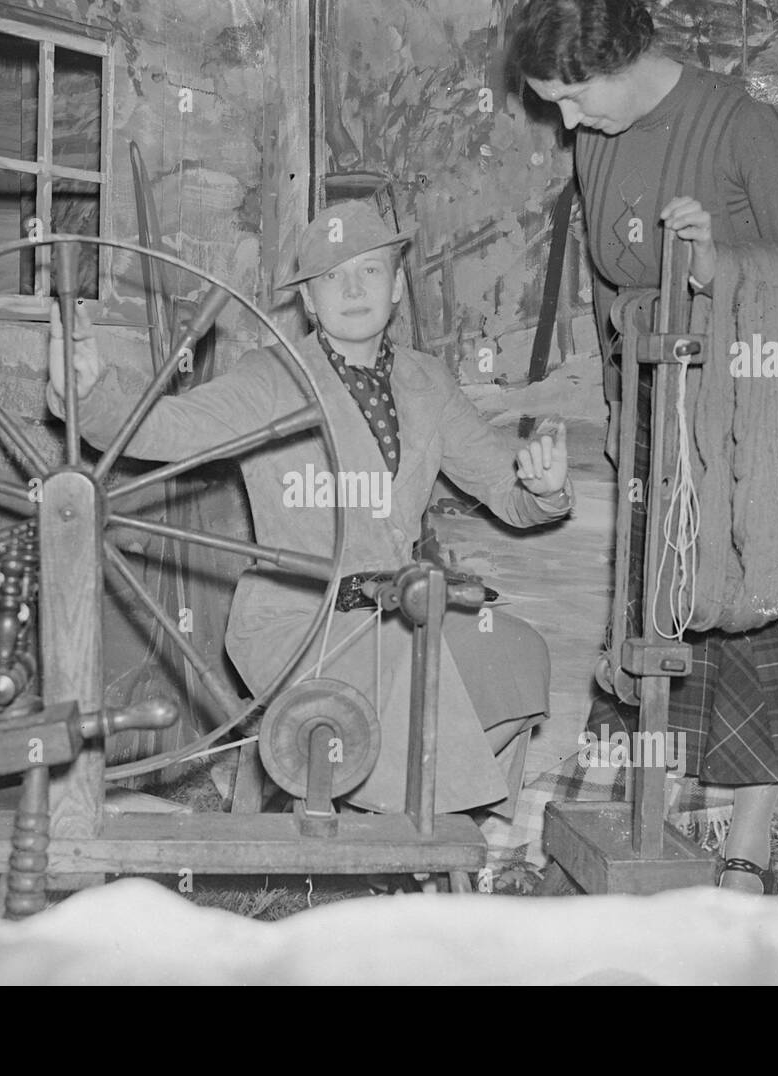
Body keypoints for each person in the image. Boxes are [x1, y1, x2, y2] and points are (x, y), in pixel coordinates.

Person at [507, 0, 778, 891]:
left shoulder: (743, 124)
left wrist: (720, 264)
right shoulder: (598, 136)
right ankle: (649, 820)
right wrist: (620, 403)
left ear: (625, 55)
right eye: (549, 101)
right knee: (667, 597)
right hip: (663, 389)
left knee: (761, 604)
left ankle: (749, 850)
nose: (564, 121)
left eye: (571, 95)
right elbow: (611, 288)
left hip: (767, 391)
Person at [45, 200, 574, 816]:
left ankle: (412, 806)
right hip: (296, 618)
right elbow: (169, 429)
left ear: (397, 285)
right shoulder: (274, 376)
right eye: (330, 277)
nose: (352, 289)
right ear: (309, 302)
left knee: (514, 651)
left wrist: (543, 490)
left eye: (369, 271)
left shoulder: (430, 384)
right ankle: (417, 823)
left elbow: (506, 493)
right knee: (408, 664)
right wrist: (88, 393)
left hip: (395, 606)